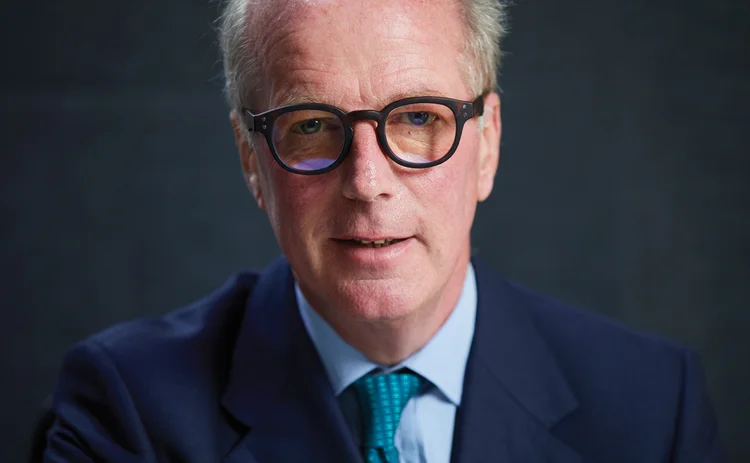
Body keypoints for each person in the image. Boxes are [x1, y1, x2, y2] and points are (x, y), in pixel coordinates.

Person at [42, 0, 725, 462]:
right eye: (312, 124)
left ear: (487, 142)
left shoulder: (653, 408)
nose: (367, 181)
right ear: (251, 160)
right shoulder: (127, 410)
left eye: (419, 118)